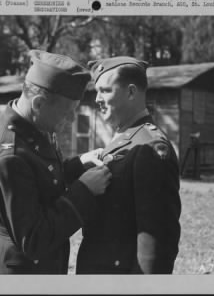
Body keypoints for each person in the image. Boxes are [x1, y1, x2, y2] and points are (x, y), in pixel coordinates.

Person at [0, 50, 111, 274]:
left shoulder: (32, 126)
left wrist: (78, 164)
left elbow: (39, 180)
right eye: (68, 112)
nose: (72, 119)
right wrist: (84, 190)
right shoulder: (10, 157)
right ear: (38, 103)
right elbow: (34, 239)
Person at [76, 56, 181, 274]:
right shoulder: (125, 138)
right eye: (97, 91)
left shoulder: (149, 148)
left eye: (105, 90)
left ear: (131, 92)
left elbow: (156, 244)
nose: (97, 99)